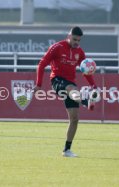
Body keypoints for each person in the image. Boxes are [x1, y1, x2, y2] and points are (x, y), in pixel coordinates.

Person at [34, 26, 97, 158]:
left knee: (74, 119)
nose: (76, 42)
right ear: (68, 36)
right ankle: (86, 101)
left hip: (70, 83)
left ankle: (67, 150)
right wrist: (39, 84)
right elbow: (42, 64)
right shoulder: (57, 47)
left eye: (79, 40)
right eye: (74, 39)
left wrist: (93, 85)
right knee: (71, 89)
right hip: (57, 81)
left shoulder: (79, 52)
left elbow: (85, 71)